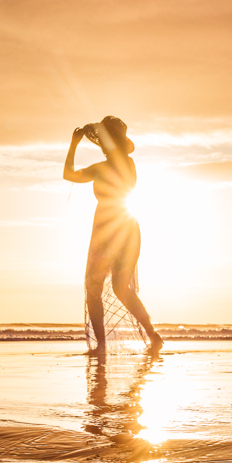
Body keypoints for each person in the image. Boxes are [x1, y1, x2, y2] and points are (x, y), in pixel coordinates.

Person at [63, 116, 163, 355]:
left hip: (116, 228)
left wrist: (77, 142)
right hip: (116, 227)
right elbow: (69, 175)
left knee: (108, 286)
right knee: (107, 287)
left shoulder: (121, 164)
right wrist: (74, 143)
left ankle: (116, 343)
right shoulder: (110, 165)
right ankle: (143, 338)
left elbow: (72, 175)